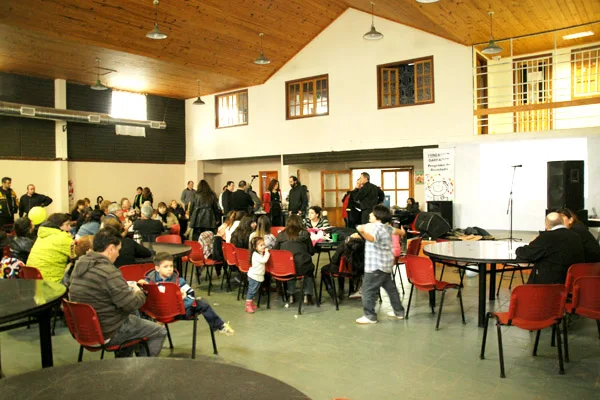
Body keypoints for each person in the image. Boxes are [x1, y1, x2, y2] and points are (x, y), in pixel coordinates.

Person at [69, 228, 167, 357]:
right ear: (110, 249)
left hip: (85, 329)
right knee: (159, 331)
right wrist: (140, 291)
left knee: (132, 318)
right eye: (118, 250)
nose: (118, 254)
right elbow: (131, 303)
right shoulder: (108, 272)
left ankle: (125, 364)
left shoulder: (79, 267)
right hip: (108, 330)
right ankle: (143, 370)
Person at [143, 252, 234, 335]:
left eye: (171, 266)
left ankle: (152, 327)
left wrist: (183, 299)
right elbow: (191, 296)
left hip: (167, 313)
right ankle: (220, 326)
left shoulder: (150, 281)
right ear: (157, 268)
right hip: (170, 313)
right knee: (203, 303)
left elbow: (190, 294)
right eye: (166, 266)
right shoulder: (148, 282)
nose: (170, 269)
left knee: (201, 302)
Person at [355, 204, 406, 324]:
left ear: (377, 216)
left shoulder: (376, 228)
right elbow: (398, 231)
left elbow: (372, 238)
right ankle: (399, 312)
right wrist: (403, 232)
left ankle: (370, 316)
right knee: (391, 289)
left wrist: (362, 232)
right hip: (386, 265)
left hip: (375, 266)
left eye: (372, 213)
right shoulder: (386, 227)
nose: (370, 214)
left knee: (368, 290)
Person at [515, 212, 585, 284]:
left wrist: (518, 249)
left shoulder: (546, 237)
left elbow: (526, 253)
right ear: (562, 222)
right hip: (572, 285)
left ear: (546, 225)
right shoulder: (576, 236)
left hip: (548, 288)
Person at [274, 215, 316, 305]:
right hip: (303, 266)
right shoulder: (305, 234)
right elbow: (311, 252)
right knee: (308, 271)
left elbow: (275, 251)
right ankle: (307, 295)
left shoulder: (281, 235)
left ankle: (291, 294)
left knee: (291, 269)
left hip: (286, 268)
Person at [27, 213, 74, 283]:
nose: (70, 227)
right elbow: (78, 253)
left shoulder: (41, 236)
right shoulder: (63, 237)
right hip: (52, 284)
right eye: (67, 225)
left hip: (33, 283)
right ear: (58, 226)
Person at [246, 237, 270, 313]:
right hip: (254, 276)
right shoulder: (256, 254)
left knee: (255, 290)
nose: (263, 246)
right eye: (261, 245)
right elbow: (264, 260)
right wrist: (267, 253)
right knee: (252, 291)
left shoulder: (259, 253)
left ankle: (251, 303)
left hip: (258, 276)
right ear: (255, 247)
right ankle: (248, 305)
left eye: (264, 244)